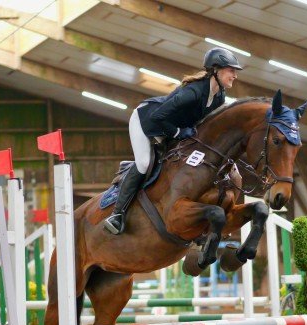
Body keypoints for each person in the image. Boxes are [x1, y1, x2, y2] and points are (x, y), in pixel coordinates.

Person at [103, 47, 242, 235]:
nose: (234, 75)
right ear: (216, 70)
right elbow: (158, 117)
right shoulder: (192, 92)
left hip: (172, 129)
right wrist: (177, 132)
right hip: (146, 122)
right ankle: (117, 215)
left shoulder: (219, 97)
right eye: (231, 70)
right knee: (144, 163)